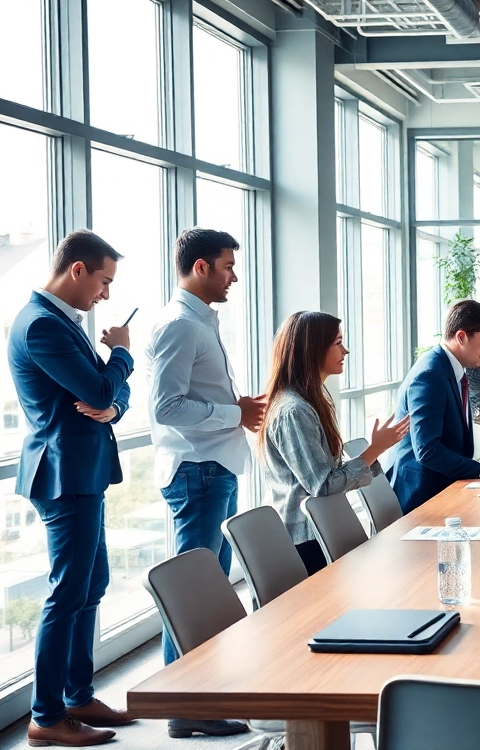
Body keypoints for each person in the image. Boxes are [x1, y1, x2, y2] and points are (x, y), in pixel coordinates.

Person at [9, 230, 137, 746]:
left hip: (80, 471)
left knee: (91, 585)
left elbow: (106, 404)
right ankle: (47, 715)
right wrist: (122, 356)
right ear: (77, 270)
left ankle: (77, 695)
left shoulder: (60, 321)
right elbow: (102, 388)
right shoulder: (42, 326)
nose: (105, 295)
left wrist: (113, 401)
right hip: (63, 475)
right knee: (67, 594)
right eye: (104, 281)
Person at [147, 227, 264, 739]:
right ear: (200, 268)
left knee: (205, 589)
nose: (234, 276)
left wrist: (232, 413)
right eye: (227, 266)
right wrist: (232, 412)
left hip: (211, 468)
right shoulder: (181, 326)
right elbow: (166, 408)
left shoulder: (198, 322)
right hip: (196, 472)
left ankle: (197, 698)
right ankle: (185, 704)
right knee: (192, 593)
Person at [259, 312, 409, 574]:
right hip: (304, 544)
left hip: (318, 533)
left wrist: (375, 451)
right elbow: (323, 484)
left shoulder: (310, 402)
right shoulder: (294, 411)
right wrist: (375, 450)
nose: (346, 350)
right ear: (313, 349)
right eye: (337, 342)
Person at [389, 300, 480, 513]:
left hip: (445, 487)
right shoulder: (430, 375)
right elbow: (428, 450)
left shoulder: (451, 369)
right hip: (422, 498)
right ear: (461, 337)